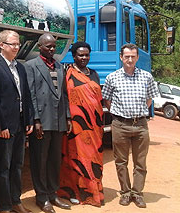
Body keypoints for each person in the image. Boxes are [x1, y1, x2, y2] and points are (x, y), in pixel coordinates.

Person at [102, 43, 159, 208]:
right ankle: (125, 193)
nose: (130, 59)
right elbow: (107, 99)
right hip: (120, 125)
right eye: (127, 56)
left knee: (140, 162)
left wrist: (138, 113)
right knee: (121, 161)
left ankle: (137, 193)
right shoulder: (112, 77)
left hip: (140, 125)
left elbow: (150, 99)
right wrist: (118, 115)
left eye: (133, 56)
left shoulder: (146, 77)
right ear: (121, 57)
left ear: (137, 57)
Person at [24, 33, 72, 213]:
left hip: (58, 121)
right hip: (42, 122)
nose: (52, 49)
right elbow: (31, 95)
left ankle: (53, 194)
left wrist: (67, 117)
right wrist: (35, 119)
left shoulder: (60, 67)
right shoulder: (31, 66)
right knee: (40, 161)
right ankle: (41, 197)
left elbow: (65, 95)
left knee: (54, 161)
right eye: (48, 46)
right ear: (39, 47)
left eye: (53, 46)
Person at [0, 30, 34, 213]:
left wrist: (29, 119)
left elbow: (26, 96)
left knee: (17, 166)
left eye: (17, 44)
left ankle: (16, 201)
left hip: (20, 125)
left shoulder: (20, 67)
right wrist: (1, 125)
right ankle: (4, 206)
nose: (16, 47)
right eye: (12, 44)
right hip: (5, 128)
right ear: (1, 45)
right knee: (3, 168)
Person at [58, 41, 104, 206]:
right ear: (74, 56)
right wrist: (68, 118)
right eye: (80, 55)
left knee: (94, 159)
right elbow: (63, 97)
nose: (84, 58)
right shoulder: (68, 74)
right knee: (75, 159)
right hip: (77, 126)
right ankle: (74, 191)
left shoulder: (94, 74)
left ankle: (93, 191)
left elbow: (98, 100)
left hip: (95, 126)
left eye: (86, 55)